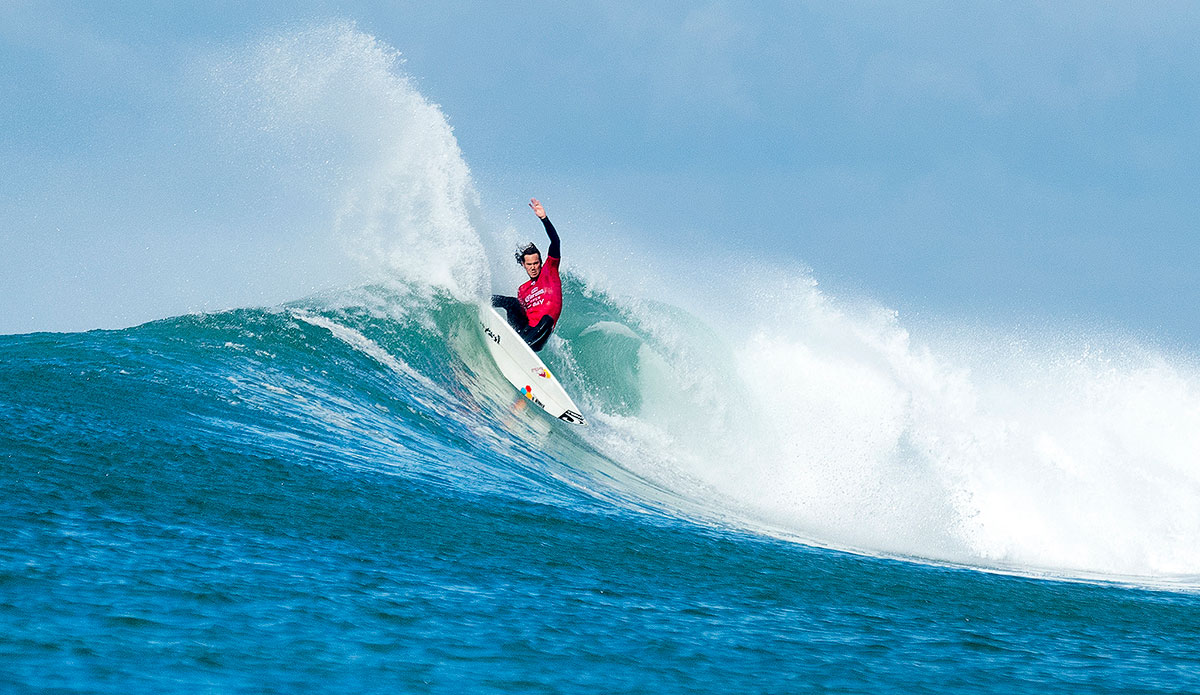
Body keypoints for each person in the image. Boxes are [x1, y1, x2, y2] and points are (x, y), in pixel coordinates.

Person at [491, 198, 563, 352]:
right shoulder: (523, 289)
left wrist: (544, 219)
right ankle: (480, 299)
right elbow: (519, 313)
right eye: (529, 264)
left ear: (541, 262)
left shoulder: (549, 271)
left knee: (547, 320)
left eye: (536, 263)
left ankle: (519, 347)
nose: (533, 268)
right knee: (511, 303)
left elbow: (555, 242)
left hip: (540, 332)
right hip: (523, 330)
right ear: (523, 265)